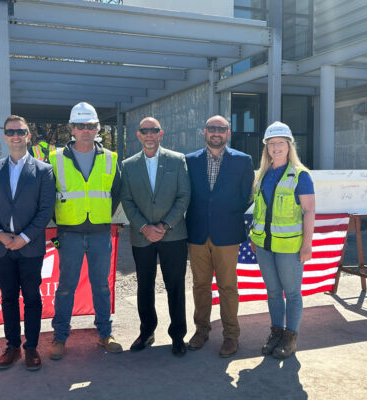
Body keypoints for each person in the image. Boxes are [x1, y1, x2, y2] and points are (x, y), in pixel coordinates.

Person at [0, 115, 56, 371]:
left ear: (28, 135)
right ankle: (12, 346)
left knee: (32, 298)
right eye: (11, 131)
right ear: (4, 136)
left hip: (30, 247)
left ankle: (31, 347)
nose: (16, 136)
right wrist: (0, 235)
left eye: (20, 131)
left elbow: (45, 210)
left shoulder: (44, 171)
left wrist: (23, 238)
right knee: (9, 299)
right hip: (1, 249)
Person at [49, 102, 122, 360]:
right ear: (71, 128)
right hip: (68, 233)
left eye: (90, 126)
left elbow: (116, 193)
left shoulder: (110, 159)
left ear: (97, 128)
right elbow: (48, 196)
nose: (85, 130)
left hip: (100, 232)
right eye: (80, 126)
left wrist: (100, 216)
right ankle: (60, 337)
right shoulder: (55, 159)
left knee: (101, 286)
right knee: (66, 286)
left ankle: (105, 333)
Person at [120, 117, 191, 356]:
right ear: (138, 135)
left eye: (154, 131)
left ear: (161, 134)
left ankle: (178, 336)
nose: (149, 135)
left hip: (173, 235)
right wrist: (143, 227)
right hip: (142, 237)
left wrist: (165, 225)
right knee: (145, 287)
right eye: (144, 131)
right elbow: (127, 200)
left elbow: (184, 196)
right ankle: (147, 331)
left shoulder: (177, 160)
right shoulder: (128, 165)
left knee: (175, 286)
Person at [185, 115, 254, 357]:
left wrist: (226, 212)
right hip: (197, 233)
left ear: (228, 133)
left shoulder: (243, 161)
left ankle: (231, 336)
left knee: (227, 286)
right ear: (204, 131)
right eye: (212, 128)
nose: (216, 133)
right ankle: (201, 330)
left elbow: (248, 196)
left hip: (227, 233)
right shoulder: (190, 161)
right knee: (200, 285)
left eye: (221, 129)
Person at [250, 121, 315, 359]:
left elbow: (309, 211)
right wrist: (254, 238)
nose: (275, 147)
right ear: (266, 147)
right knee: (274, 292)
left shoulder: (300, 175)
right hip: (264, 246)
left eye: (280, 143)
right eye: (271, 143)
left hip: (289, 247)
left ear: (289, 146)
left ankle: (290, 338)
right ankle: (276, 333)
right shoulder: (262, 175)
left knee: (292, 293)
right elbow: (259, 210)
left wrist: (307, 245)